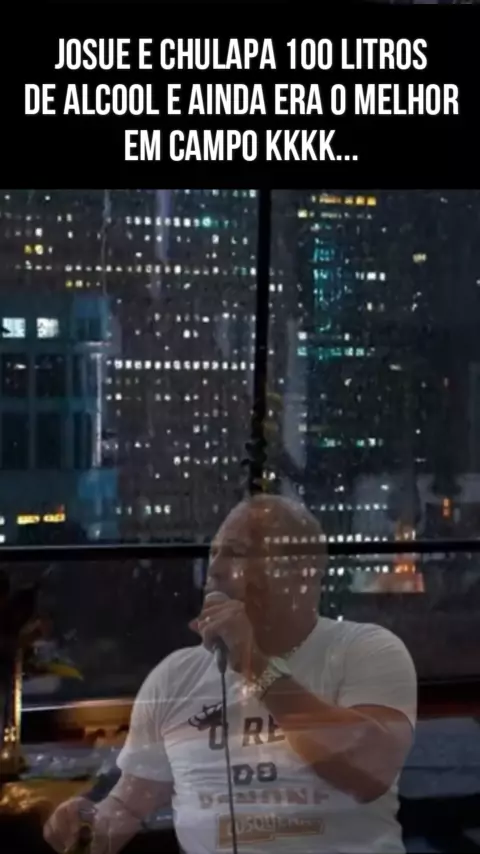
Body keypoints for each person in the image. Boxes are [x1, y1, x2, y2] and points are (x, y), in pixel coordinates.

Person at [44, 495, 417, 854]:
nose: (215, 569)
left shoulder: (365, 650)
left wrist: (255, 665)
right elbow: (129, 803)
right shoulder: (175, 676)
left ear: (302, 571)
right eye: (214, 553)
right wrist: (91, 826)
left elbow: (370, 771)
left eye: (236, 553)